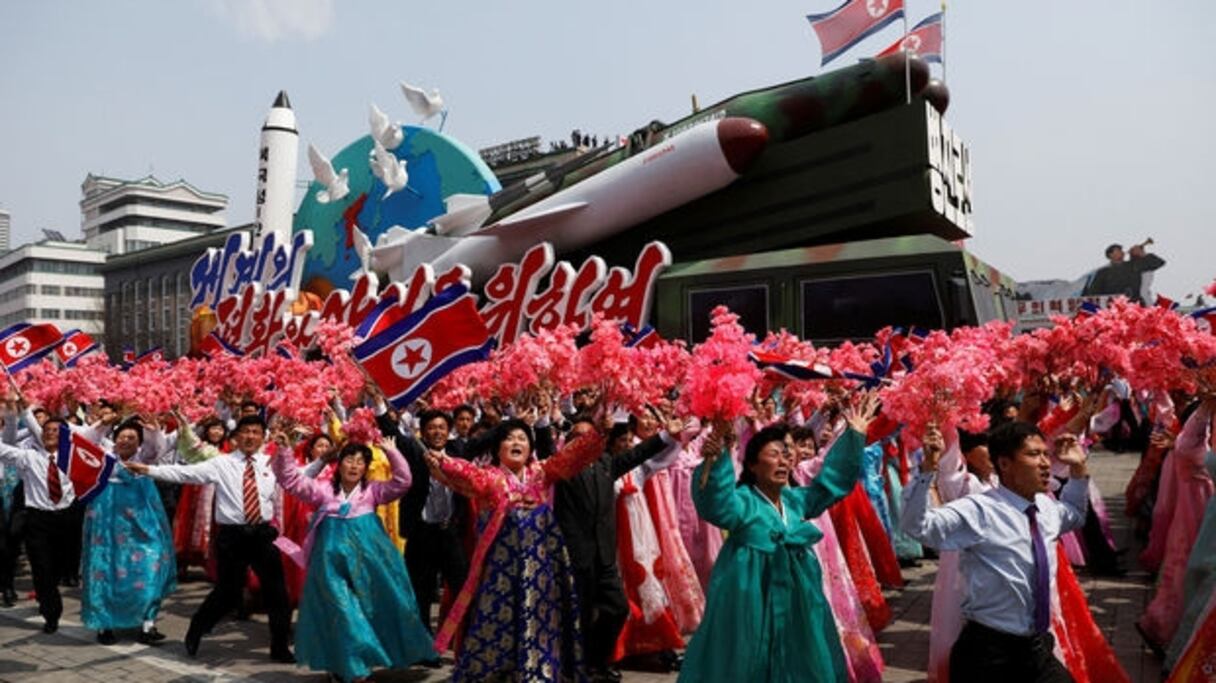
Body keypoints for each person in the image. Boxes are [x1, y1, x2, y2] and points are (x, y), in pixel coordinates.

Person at [678, 393, 879, 683]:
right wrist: (718, 457)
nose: (784, 461)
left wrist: (853, 437)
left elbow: (831, 484)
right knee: (748, 660)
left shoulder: (796, 501)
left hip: (798, 597)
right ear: (752, 465)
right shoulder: (743, 503)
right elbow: (715, 502)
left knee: (800, 657)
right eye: (774, 454)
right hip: (748, 597)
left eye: (787, 454)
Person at [900, 420, 1090, 683]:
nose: (1045, 463)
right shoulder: (979, 509)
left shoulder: (1046, 508)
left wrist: (1078, 469)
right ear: (1004, 463)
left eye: (1046, 454)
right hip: (989, 652)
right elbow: (917, 527)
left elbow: (1077, 514)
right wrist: (926, 470)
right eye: (1034, 455)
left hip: (1037, 647)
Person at [425, 417, 607, 682]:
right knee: (498, 619)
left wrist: (600, 428)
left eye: (522, 438)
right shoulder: (490, 477)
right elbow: (468, 474)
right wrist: (443, 461)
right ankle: (495, 669)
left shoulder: (542, 472)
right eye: (510, 438)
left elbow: (573, 455)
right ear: (498, 448)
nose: (517, 442)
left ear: (531, 448)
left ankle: (538, 669)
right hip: (500, 572)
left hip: (539, 571)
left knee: (539, 617)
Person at [127, 414, 294, 662]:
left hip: (262, 534)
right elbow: (185, 473)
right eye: (245, 432)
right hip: (232, 537)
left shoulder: (271, 462)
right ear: (236, 437)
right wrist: (149, 470)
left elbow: (299, 477)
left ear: (262, 437)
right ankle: (198, 626)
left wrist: (322, 458)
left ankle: (279, 648)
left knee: (278, 593)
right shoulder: (221, 463)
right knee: (228, 592)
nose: (250, 436)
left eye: (255, 432)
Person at [271, 433, 436, 682]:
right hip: (330, 567)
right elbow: (291, 479)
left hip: (366, 567)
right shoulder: (322, 491)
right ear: (340, 463)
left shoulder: (373, 492)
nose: (355, 465)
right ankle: (351, 667)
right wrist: (284, 451)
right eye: (350, 459)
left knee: (366, 612)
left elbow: (403, 481)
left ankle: (351, 663)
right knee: (342, 612)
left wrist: (392, 452)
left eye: (361, 462)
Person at [553, 412, 681, 682]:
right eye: (577, 436)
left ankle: (597, 659)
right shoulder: (563, 468)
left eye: (588, 435)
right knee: (581, 615)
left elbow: (638, 454)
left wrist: (666, 434)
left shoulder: (606, 463)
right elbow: (547, 445)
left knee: (617, 608)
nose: (583, 441)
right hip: (576, 555)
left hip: (605, 554)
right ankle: (582, 667)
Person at [81, 421, 176, 645]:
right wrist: (104, 423)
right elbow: (85, 442)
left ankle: (148, 624)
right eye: (122, 436)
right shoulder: (104, 457)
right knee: (105, 570)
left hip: (143, 524)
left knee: (151, 567)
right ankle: (105, 625)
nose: (126, 441)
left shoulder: (145, 459)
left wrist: (152, 427)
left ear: (139, 443)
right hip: (107, 523)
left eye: (132, 438)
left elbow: (157, 446)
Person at [0, 407, 76, 633]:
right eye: (47, 430)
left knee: (59, 567)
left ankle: (51, 593)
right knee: (42, 568)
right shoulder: (29, 457)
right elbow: (4, 448)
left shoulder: (75, 458)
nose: (51, 433)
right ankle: (51, 612)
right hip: (38, 521)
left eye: (56, 430)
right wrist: (13, 412)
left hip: (66, 518)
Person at [1082, 240, 1165, 303]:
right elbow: (1093, 294)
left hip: (1135, 304)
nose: (1122, 251)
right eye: (1117, 250)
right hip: (1112, 307)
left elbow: (1159, 262)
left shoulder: (1133, 265)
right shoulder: (1103, 272)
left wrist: (1142, 254)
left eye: (1121, 250)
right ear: (1110, 255)